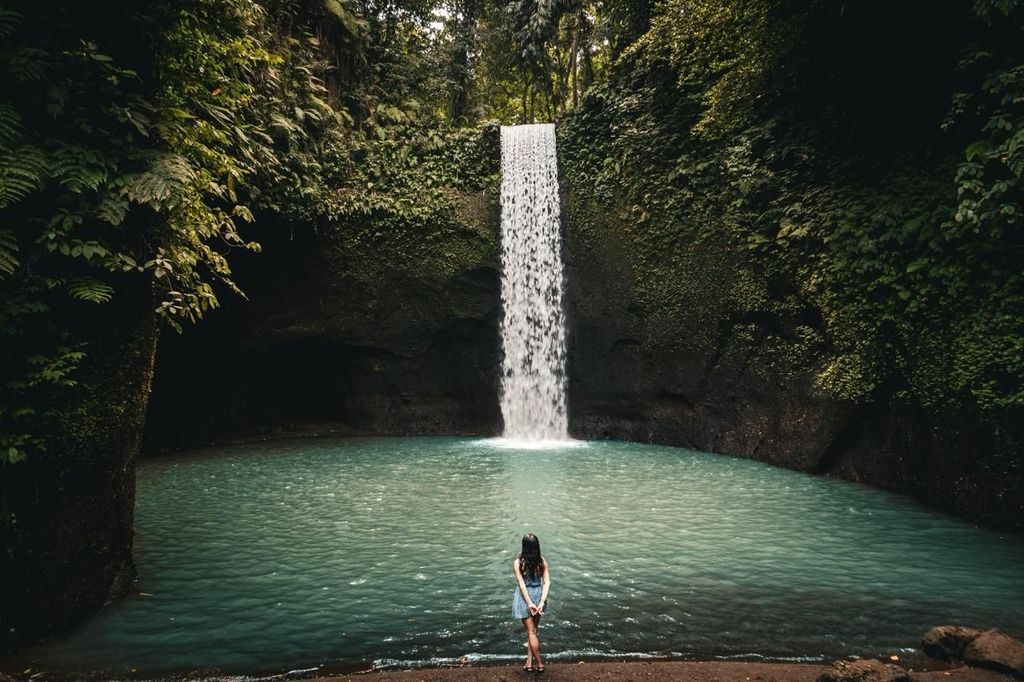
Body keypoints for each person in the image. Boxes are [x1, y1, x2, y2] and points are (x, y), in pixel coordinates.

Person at [513, 532, 550, 673]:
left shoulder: (518, 563)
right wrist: (541, 602)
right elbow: (547, 583)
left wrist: (529, 603)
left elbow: (522, 585)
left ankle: (539, 664)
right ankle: (529, 663)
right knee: (533, 631)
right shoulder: (542, 561)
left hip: (525, 597)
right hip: (538, 595)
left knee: (531, 633)